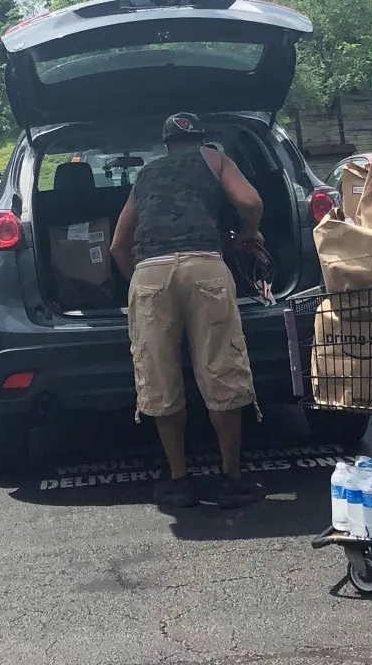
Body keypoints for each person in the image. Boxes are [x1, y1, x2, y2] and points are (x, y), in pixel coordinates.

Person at [109, 112, 265, 509]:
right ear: (201, 139)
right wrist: (248, 231)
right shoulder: (214, 159)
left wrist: (140, 284)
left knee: (159, 375)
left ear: (166, 146)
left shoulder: (146, 176)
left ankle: (179, 480)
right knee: (221, 369)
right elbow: (250, 201)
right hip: (204, 267)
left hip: (150, 274)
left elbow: (116, 246)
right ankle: (231, 478)